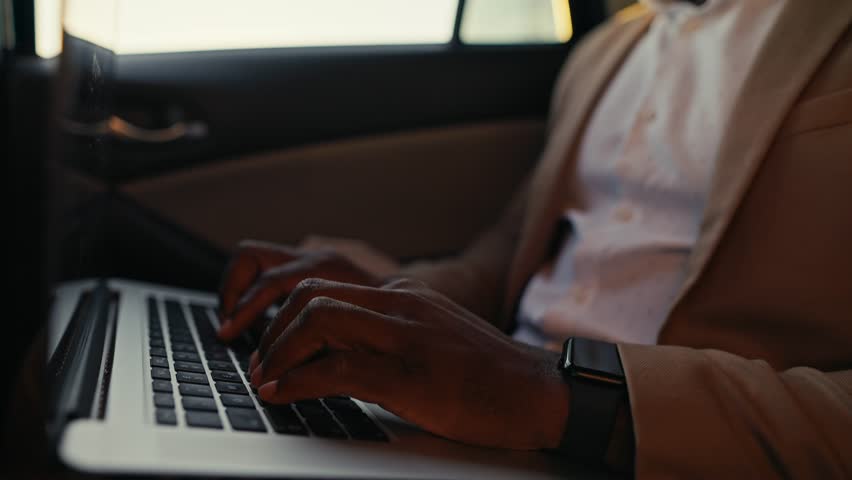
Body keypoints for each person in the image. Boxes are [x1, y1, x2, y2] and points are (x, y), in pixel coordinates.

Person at [216, 1, 852, 477]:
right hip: (485, 424)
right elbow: (503, 257)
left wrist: (566, 398)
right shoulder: (604, 54)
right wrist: (381, 299)